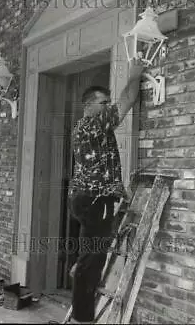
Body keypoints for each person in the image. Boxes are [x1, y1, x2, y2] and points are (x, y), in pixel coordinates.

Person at [68, 57, 145, 324]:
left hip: (87, 198)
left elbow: (100, 162)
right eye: (103, 103)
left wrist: (115, 186)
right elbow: (126, 102)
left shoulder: (87, 128)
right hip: (93, 200)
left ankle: (79, 269)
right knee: (93, 261)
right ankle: (83, 318)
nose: (107, 107)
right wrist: (135, 74)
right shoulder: (92, 124)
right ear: (89, 106)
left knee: (89, 253)